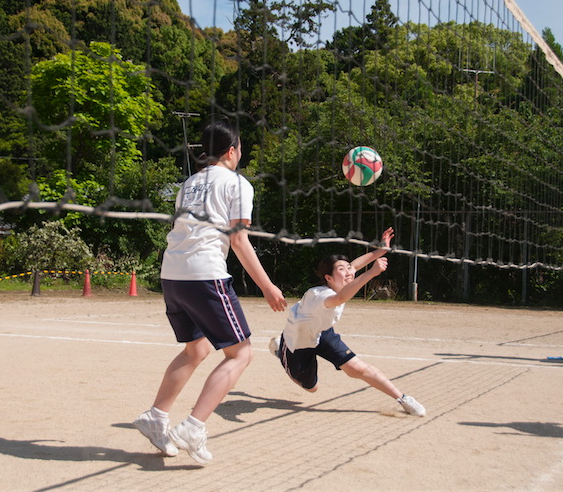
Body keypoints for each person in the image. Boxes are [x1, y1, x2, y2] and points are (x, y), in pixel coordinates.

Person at [133, 120, 287, 464]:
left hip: (172, 274)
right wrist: (268, 286)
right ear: (232, 151)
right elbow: (238, 239)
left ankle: (156, 417)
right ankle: (193, 426)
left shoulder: (188, 183)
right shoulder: (236, 183)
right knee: (241, 353)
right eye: (241, 149)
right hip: (205, 275)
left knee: (196, 349)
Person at [267, 227, 426, 417]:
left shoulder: (342, 280)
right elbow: (341, 298)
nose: (349, 272)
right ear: (328, 278)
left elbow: (356, 265)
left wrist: (382, 250)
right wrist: (371, 274)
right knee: (311, 388)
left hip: (323, 332)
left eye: (349, 268)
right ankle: (280, 350)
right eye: (342, 269)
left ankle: (403, 398)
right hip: (298, 343)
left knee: (357, 368)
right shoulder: (319, 295)